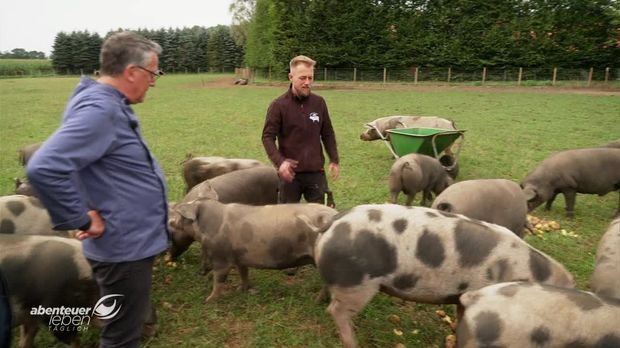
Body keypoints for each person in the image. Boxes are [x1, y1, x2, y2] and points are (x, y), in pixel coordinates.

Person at [27, 31, 168, 348]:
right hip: (124, 251)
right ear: (132, 72)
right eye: (152, 73)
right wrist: (82, 218)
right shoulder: (100, 110)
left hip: (125, 244)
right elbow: (44, 166)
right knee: (121, 337)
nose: (154, 81)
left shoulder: (103, 103)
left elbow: (81, 163)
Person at [262, 55, 340, 205]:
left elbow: (327, 133)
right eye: (302, 78)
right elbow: (267, 137)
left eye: (310, 78)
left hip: (316, 173)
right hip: (289, 175)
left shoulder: (319, 103)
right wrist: (280, 163)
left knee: (322, 218)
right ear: (291, 77)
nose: (307, 82)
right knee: (286, 221)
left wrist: (334, 159)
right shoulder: (278, 106)